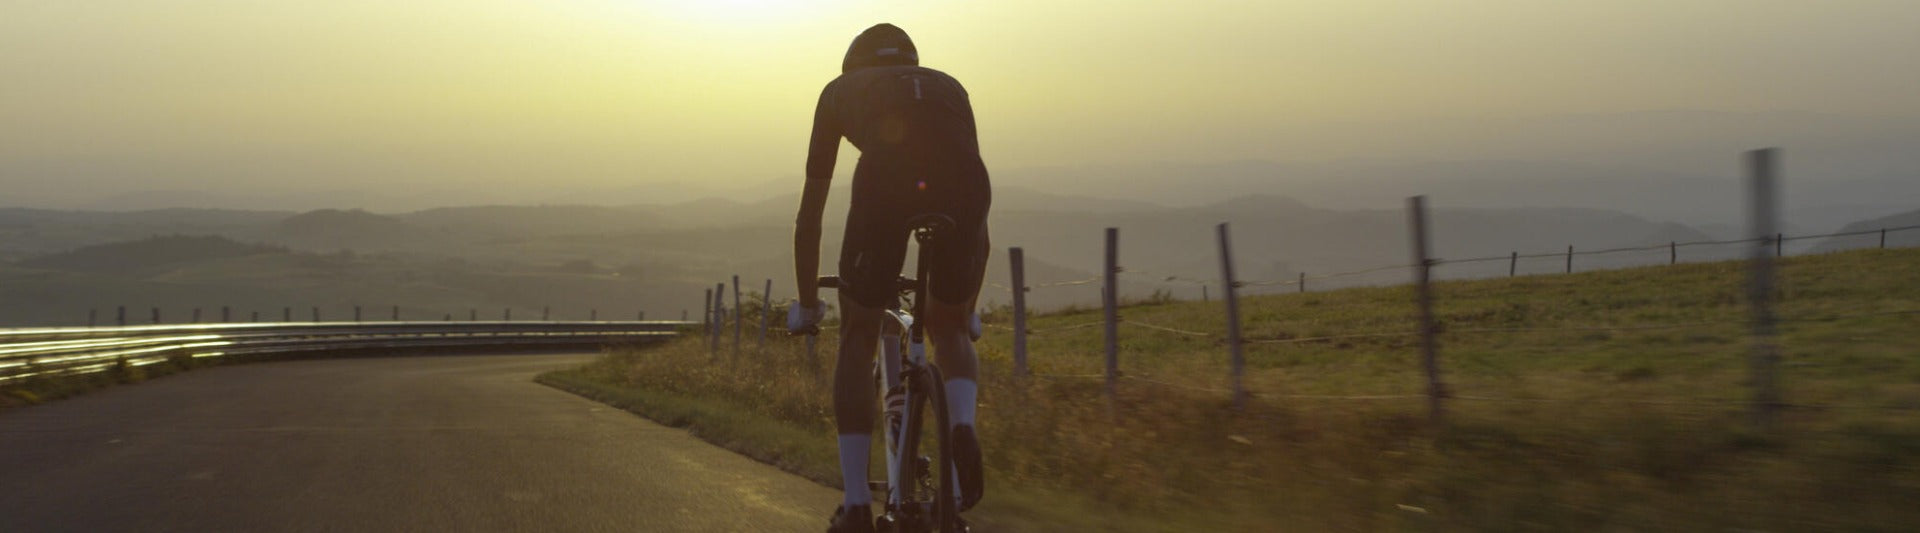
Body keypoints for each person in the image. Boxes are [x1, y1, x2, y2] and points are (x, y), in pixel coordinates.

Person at [786, 23, 991, 533]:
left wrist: (808, 303)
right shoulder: (950, 86)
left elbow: (810, 216)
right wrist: (967, 309)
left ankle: (857, 503)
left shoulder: (839, 91)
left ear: (854, 65)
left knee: (858, 336)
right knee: (948, 330)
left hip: (886, 183)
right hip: (967, 186)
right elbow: (980, 225)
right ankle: (962, 429)